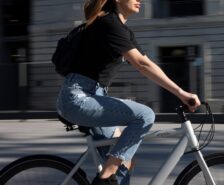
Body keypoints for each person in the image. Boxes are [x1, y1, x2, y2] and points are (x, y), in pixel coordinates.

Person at [56, 0, 201, 185]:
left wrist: (180, 93)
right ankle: (104, 179)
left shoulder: (122, 30)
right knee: (145, 115)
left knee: (123, 164)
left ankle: (110, 175)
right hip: (79, 97)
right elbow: (142, 65)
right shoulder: (108, 22)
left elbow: (148, 63)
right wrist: (182, 93)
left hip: (93, 97)